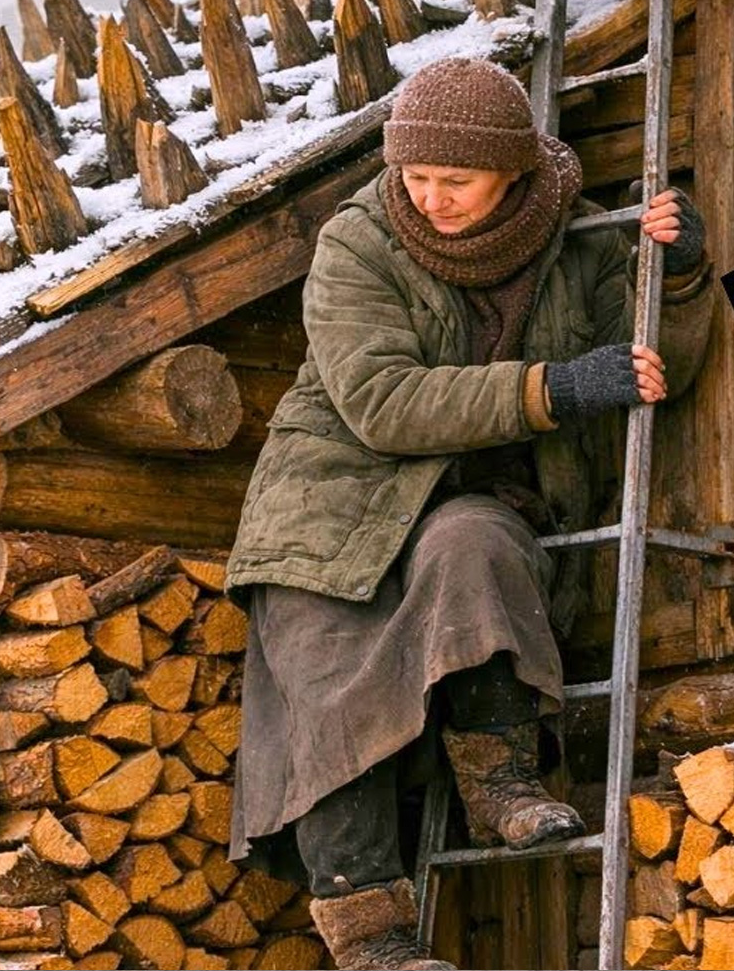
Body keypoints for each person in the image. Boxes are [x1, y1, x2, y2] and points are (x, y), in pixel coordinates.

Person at [224, 57, 715, 971]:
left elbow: (651, 362)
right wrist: (551, 388)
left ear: (514, 172)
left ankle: (501, 783)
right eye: (417, 178)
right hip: (324, 508)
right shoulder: (358, 241)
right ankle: (371, 941)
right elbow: (382, 400)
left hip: (473, 499)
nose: (434, 199)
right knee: (329, 673)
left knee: (478, 544)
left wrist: (680, 278)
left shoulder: (576, 236)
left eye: (458, 180)